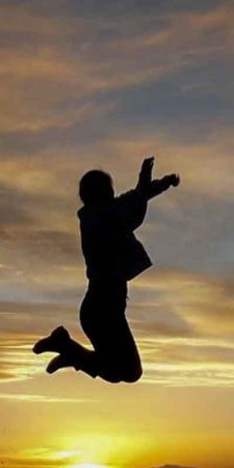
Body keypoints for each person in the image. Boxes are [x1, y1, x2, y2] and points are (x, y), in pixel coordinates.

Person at [32, 157, 180, 383]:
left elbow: (134, 203)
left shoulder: (99, 218)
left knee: (125, 370)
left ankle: (69, 350)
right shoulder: (102, 216)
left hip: (102, 308)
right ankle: (68, 349)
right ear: (102, 193)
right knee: (127, 371)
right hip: (103, 309)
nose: (114, 193)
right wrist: (151, 179)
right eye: (110, 189)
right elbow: (136, 199)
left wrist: (152, 182)